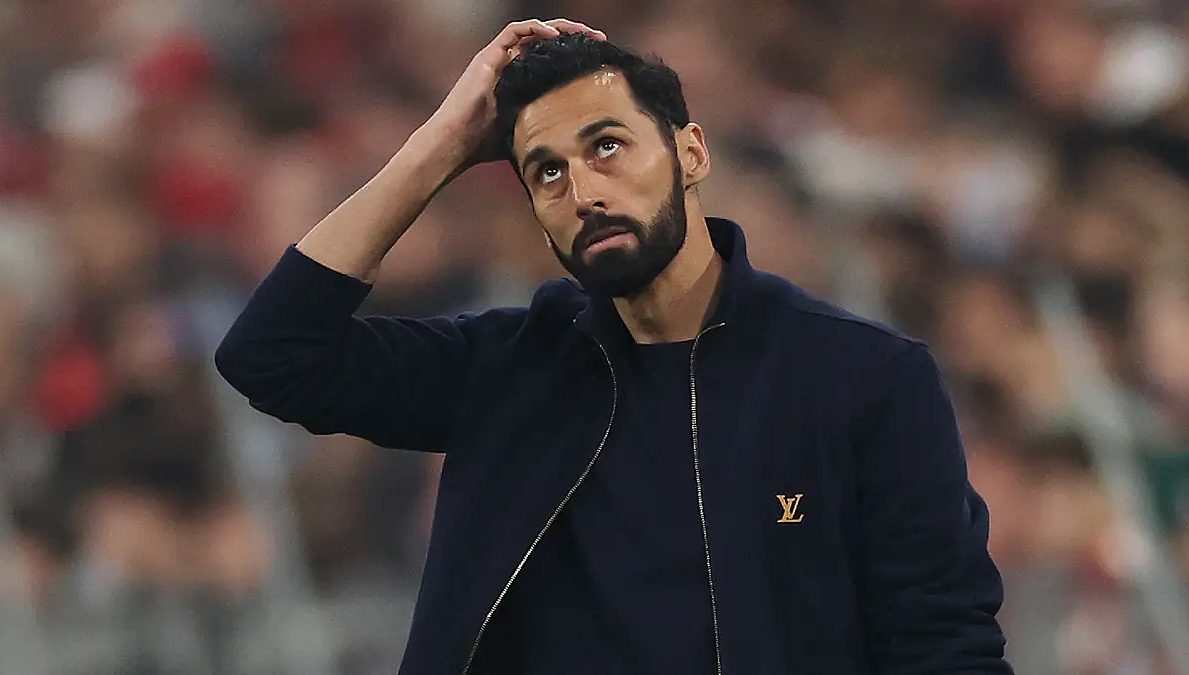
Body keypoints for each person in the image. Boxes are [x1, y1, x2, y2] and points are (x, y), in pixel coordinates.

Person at [214, 19, 1013, 675]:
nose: (584, 190)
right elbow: (272, 353)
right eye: (546, 173)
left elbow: (944, 644)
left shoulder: (863, 378)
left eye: (607, 146)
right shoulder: (510, 367)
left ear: (690, 153)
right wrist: (443, 147)